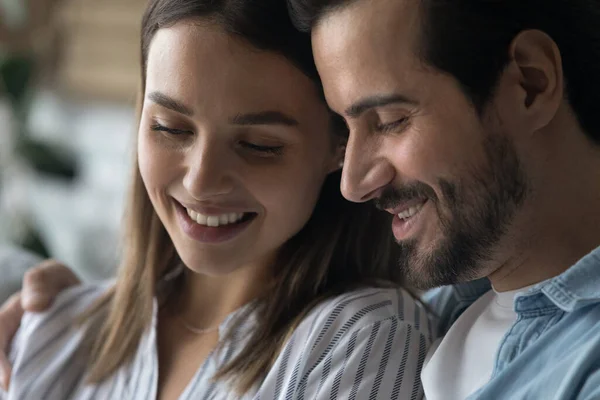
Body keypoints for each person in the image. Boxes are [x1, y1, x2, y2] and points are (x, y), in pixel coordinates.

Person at [4, 0, 600, 398]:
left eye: (389, 119)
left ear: (530, 83)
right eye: (170, 127)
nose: (355, 180)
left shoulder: (371, 334)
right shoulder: (459, 288)